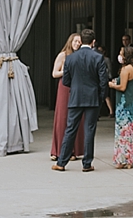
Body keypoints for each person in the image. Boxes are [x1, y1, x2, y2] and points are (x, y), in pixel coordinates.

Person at [52, 29, 110, 173]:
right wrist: (101, 97)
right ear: (93, 42)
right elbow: (104, 80)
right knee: (89, 130)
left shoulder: (71, 58)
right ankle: (87, 163)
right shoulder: (98, 57)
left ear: (81, 41)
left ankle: (61, 162)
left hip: (75, 97)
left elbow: (65, 80)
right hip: (92, 98)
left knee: (70, 129)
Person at [50, 33, 85, 161]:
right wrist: (66, 71)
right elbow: (54, 73)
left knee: (76, 118)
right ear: (70, 42)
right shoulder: (63, 55)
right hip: (65, 88)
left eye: (79, 42)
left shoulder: (81, 56)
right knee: (62, 117)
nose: (77, 44)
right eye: (75, 41)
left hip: (78, 87)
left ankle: (73, 150)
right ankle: (57, 150)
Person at [108, 45, 133, 169]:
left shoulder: (125, 69)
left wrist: (111, 85)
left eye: (122, 54)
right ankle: (132, 158)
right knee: (132, 132)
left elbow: (122, 87)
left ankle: (122, 158)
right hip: (132, 105)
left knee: (122, 133)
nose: (120, 56)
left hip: (123, 105)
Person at [96, 45, 114, 117]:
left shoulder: (106, 59)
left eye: (101, 50)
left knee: (106, 96)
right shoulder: (97, 59)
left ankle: (111, 111)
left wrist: (109, 78)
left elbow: (109, 69)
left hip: (105, 78)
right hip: (98, 79)